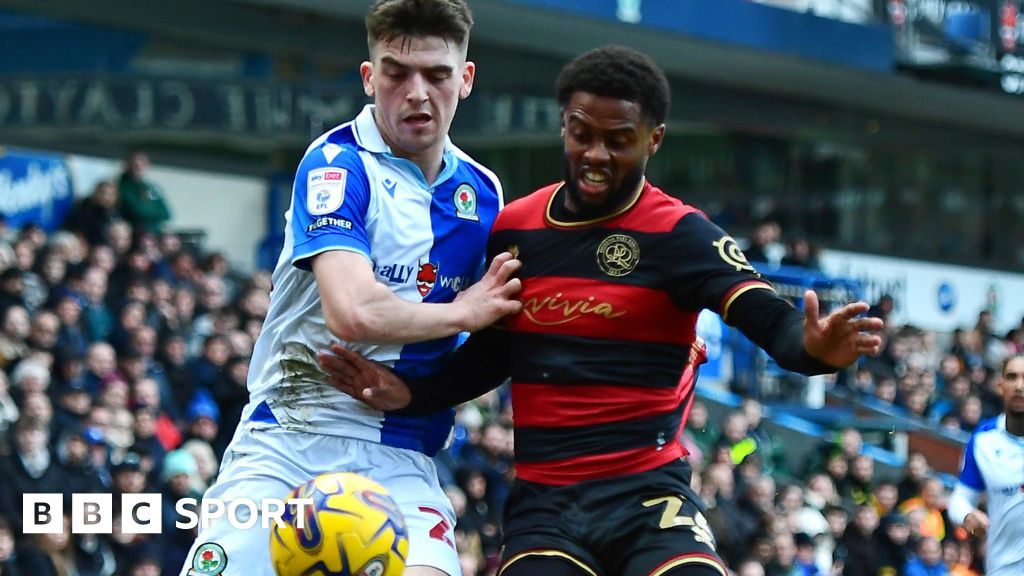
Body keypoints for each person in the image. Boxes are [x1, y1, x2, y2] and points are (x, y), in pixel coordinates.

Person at [320, 45, 883, 576]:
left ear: (653, 140)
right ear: (564, 123)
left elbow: (771, 321)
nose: (595, 154)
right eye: (581, 133)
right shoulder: (515, 228)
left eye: (618, 140)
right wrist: (416, 393)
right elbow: (498, 352)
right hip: (545, 504)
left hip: (649, 498)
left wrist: (815, 350)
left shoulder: (680, 234)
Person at [179, 2, 522, 575]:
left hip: (404, 453)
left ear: (464, 81)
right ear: (369, 78)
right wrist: (466, 311)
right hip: (290, 435)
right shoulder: (335, 164)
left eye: (436, 75)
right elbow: (352, 310)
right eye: (396, 72)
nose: (417, 92)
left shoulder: (485, 194)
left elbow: (504, 333)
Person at [947, 353, 1024, 576]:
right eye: (1012, 377)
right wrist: (967, 516)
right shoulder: (983, 440)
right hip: (1004, 568)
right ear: (1000, 385)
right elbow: (959, 501)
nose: (1019, 386)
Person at [117, 151, 172, 234]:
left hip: (153, 235)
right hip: (133, 234)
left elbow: (166, 213)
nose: (138, 167)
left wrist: (146, 208)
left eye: (141, 164)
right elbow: (138, 210)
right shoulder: (121, 186)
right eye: (134, 165)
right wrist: (152, 209)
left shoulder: (151, 187)